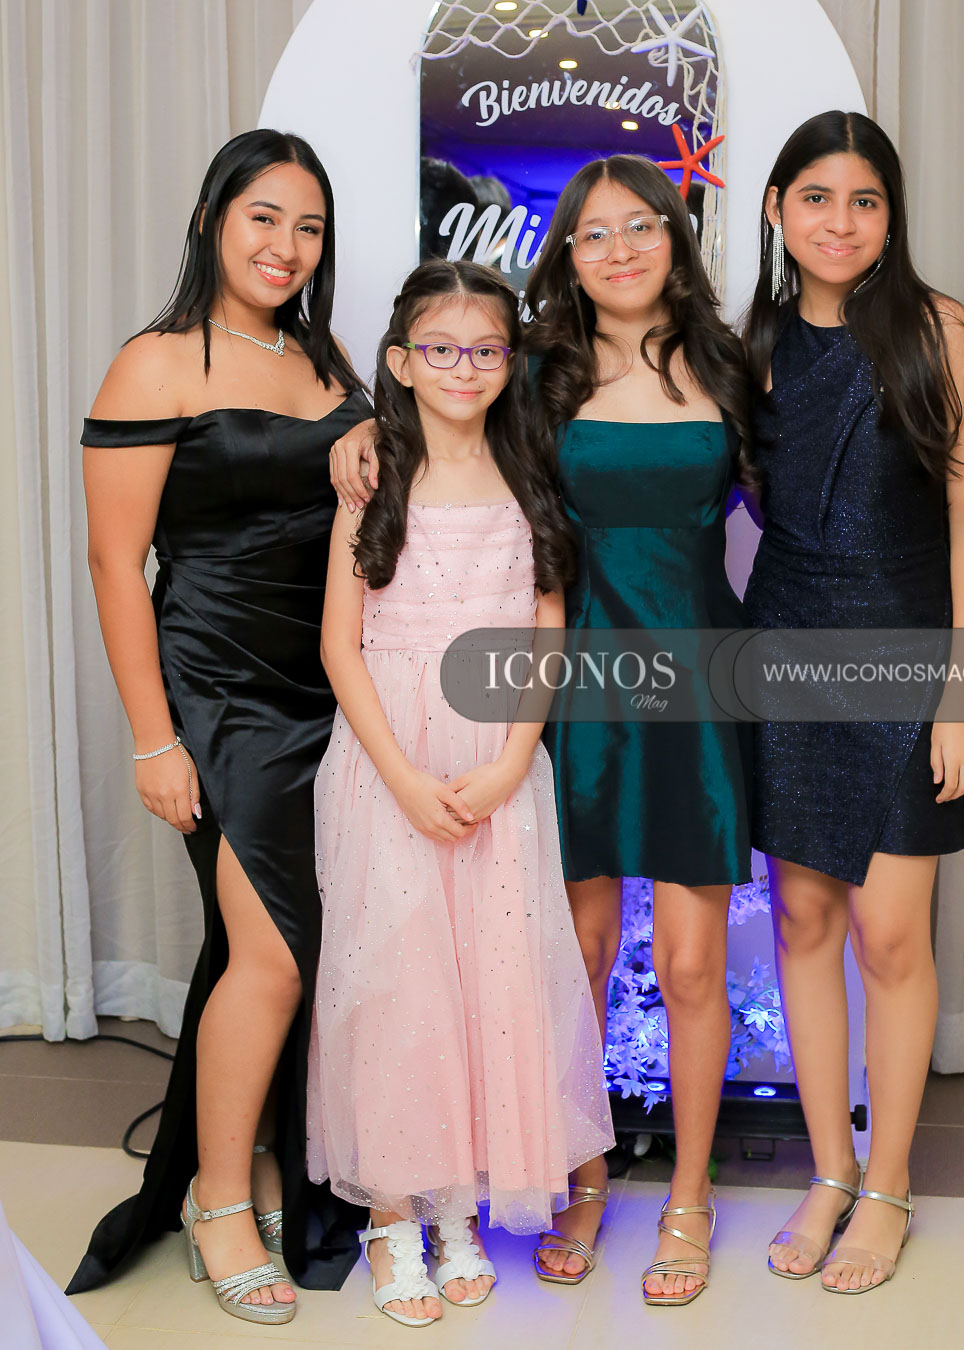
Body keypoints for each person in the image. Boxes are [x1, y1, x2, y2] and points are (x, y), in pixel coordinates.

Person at [326, 155, 753, 1307]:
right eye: (593, 233)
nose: (620, 250)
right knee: (573, 952)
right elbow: (441, 404)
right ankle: (578, 1177)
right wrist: (356, 432)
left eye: (641, 225)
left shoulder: (731, 364)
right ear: (566, 253)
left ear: (675, 234)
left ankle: (691, 1196)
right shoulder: (539, 374)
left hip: (697, 687)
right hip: (570, 690)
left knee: (693, 961)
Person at [68, 130, 372, 1326]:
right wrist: (155, 737)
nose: (286, 246)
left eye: (308, 226)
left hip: (326, 687)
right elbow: (114, 562)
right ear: (211, 220)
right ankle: (217, 1200)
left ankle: (263, 1163)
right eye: (263, 217)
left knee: (293, 946)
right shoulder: (154, 362)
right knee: (274, 954)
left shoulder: (321, 355)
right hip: (219, 687)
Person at [307, 258, 613, 1329]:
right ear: (400, 361)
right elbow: (339, 644)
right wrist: (399, 775)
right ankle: (393, 1215)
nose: (463, 367)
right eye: (440, 348)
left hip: (495, 759)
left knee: (490, 982)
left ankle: (457, 1207)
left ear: (510, 361)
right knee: (396, 985)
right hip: (389, 758)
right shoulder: (371, 479)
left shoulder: (529, 476)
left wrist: (514, 758)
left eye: (485, 349)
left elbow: (548, 626)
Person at [742, 110, 964, 1294]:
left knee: (891, 934)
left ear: (891, 216)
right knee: (803, 923)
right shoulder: (750, 345)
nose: (840, 223)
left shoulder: (941, 330)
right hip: (786, 647)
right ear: (777, 207)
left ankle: (888, 1187)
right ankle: (830, 1169)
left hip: (906, 652)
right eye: (817, 198)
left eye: (866, 201)